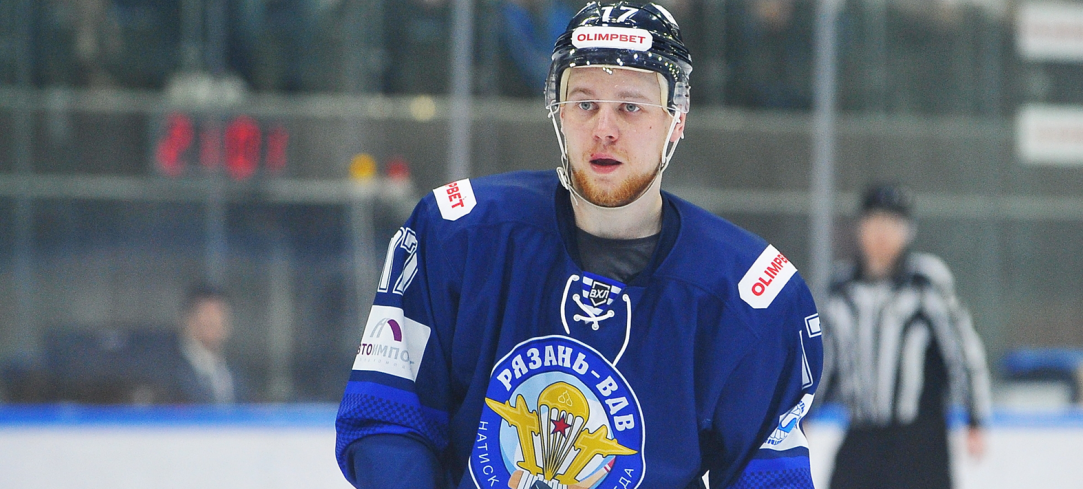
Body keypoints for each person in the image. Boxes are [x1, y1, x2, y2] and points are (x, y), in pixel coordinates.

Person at [334, 2, 823, 488]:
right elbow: (389, 417)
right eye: (585, 103)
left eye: (630, 106)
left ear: (676, 119)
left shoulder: (748, 297)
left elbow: (770, 478)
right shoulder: (458, 236)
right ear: (560, 112)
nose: (603, 129)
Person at [819, 184, 991, 489]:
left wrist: (974, 418)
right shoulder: (841, 288)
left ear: (908, 231)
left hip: (919, 442)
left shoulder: (925, 281)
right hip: (861, 437)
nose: (882, 233)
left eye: (892, 223)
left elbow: (961, 351)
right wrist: (802, 412)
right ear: (860, 227)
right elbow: (825, 358)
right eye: (875, 221)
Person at [162, 283, 238, 404]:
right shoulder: (167, 371)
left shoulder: (235, 374)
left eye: (220, 312)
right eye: (207, 313)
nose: (214, 320)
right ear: (188, 320)